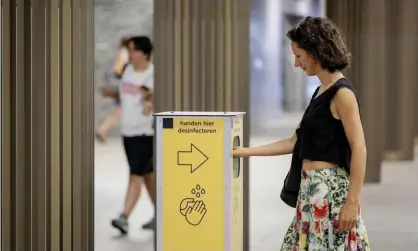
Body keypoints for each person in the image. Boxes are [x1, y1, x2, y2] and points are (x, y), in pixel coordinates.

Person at [233, 16, 371, 250]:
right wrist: (242, 151)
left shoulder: (342, 94)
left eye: (299, 56)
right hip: (310, 192)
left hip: (331, 195)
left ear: (315, 52)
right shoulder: (321, 91)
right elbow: (295, 141)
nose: (296, 64)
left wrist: (352, 202)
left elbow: (359, 148)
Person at [101, 36, 156, 234]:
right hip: (128, 132)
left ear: (144, 52)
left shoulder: (153, 74)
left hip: (145, 132)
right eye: (129, 50)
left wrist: (149, 98)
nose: (130, 55)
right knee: (147, 175)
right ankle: (163, 214)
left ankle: (124, 217)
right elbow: (127, 94)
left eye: (133, 51)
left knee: (136, 175)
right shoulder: (128, 71)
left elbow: (153, 97)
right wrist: (112, 94)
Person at [96, 37, 130, 142]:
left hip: (124, 85)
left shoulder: (124, 52)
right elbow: (118, 69)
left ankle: (103, 130)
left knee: (120, 111)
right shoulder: (125, 53)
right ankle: (102, 130)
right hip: (124, 86)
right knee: (121, 111)